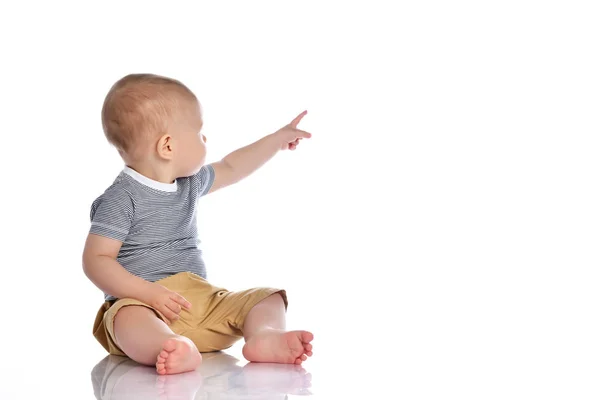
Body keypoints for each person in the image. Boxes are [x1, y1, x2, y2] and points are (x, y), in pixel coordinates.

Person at [83, 73, 314, 375]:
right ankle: (168, 345)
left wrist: (276, 140)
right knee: (126, 318)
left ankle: (263, 335)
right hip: (143, 303)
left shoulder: (188, 184)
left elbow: (232, 165)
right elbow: (96, 261)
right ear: (167, 147)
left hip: (198, 301)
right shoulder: (121, 199)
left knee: (267, 297)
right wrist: (147, 294)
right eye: (198, 131)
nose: (204, 139)